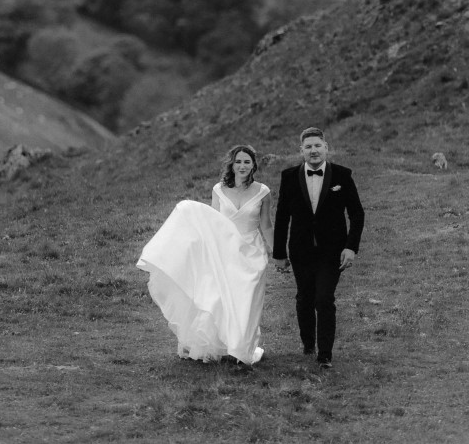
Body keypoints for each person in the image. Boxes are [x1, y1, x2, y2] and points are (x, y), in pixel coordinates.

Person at [136, 144, 273, 365]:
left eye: (247, 161)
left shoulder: (263, 192)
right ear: (232, 164)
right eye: (238, 161)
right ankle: (217, 344)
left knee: (246, 299)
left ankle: (242, 348)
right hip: (223, 251)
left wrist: (278, 252)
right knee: (218, 299)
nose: (242, 166)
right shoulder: (218, 189)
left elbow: (266, 225)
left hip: (251, 251)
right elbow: (213, 222)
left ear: (253, 165)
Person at [271, 126, 364, 369]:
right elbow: (282, 217)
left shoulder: (342, 176)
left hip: (331, 251)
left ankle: (325, 354)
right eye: (308, 147)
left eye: (318, 146)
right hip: (300, 250)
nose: (313, 150)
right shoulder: (289, 176)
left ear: (326, 148)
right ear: (301, 150)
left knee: (324, 298)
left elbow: (357, 213)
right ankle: (307, 343)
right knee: (305, 297)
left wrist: (351, 247)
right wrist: (279, 254)